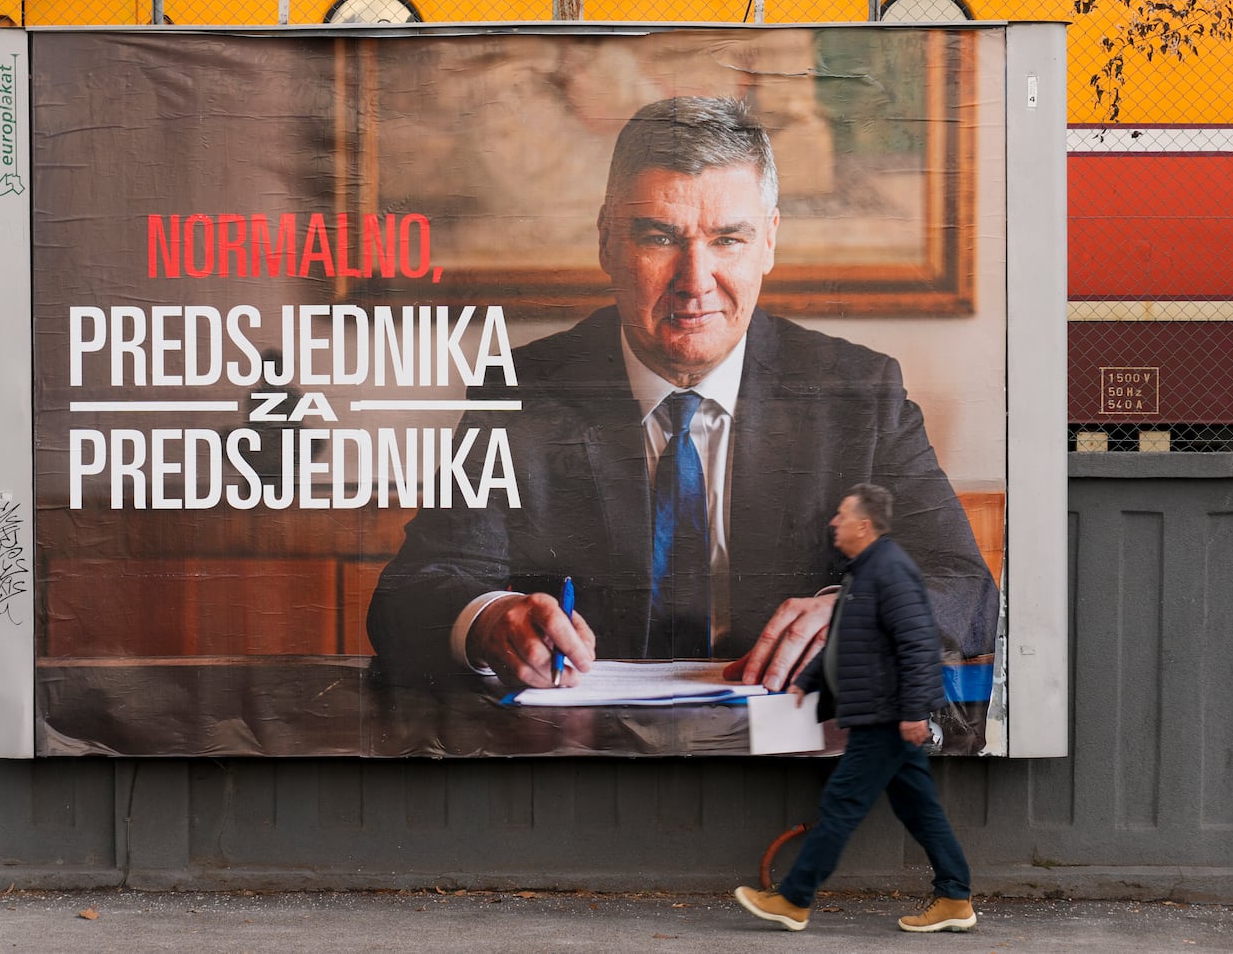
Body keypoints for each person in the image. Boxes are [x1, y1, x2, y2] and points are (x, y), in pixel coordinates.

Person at [366, 96, 998, 693]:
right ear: (608, 239)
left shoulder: (859, 393)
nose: (695, 282)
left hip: (789, 757)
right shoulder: (525, 392)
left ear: (770, 241)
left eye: (728, 239)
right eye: (660, 238)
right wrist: (489, 618)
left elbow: (963, 587)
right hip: (583, 758)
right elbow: (415, 591)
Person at [734, 483, 977, 934]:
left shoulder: (890, 571)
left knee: (842, 804)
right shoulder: (864, 573)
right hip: (881, 713)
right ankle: (955, 898)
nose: (834, 522)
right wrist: (805, 684)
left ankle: (794, 899)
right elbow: (849, 644)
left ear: (864, 524)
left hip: (884, 717)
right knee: (920, 810)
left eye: (842, 515)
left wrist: (913, 712)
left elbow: (919, 644)